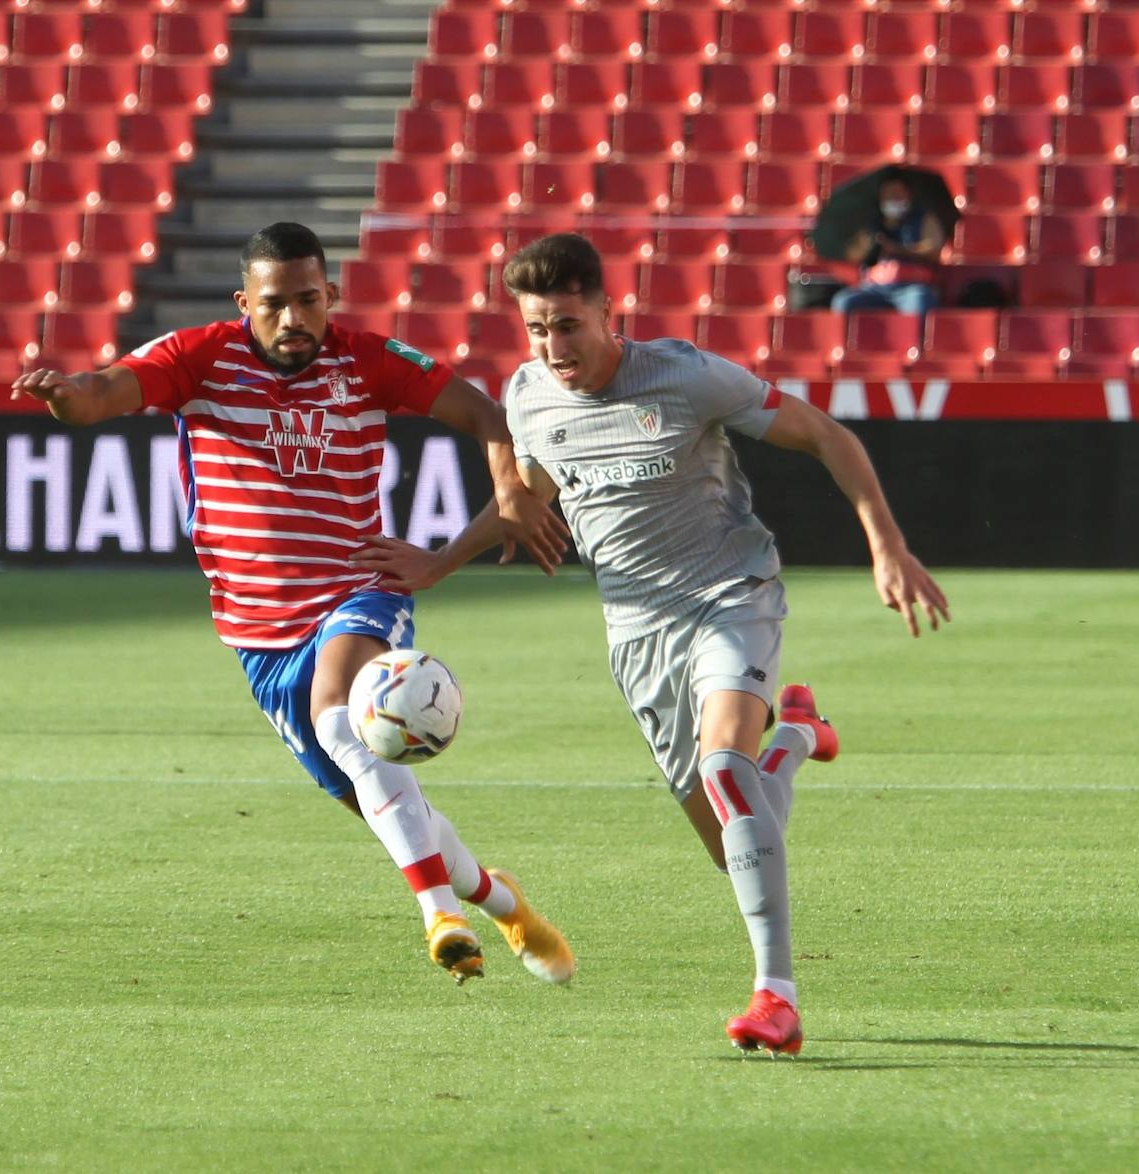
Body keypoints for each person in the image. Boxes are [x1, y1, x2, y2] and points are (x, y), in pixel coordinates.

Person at [356, 233, 949, 1056]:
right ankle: (795, 740)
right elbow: (527, 497)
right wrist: (441, 562)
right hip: (637, 635)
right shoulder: (528, 397)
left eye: (568, 325)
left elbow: (824, 434)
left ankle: (776, 996)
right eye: (537, 329)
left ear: (608, 311)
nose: (554, 347)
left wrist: (886, 546)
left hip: (730, 593)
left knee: (725, 769)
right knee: (734, 841)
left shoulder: (684, 376)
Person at [9, 222, 576, 987]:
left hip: (358, 587)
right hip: (259, 634)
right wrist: (67, 397)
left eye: (308, 300)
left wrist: (508, 490)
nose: (293, 318)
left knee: (343, 719)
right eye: (274, 303)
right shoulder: (200, 357)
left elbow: (482, 411)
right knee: (386, 805)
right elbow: (101, 394)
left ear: (330, 295)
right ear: (244, 302)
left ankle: (439, 915)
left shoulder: (367, 360)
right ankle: (504, 904)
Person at [830, 171, 946, 316]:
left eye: (898, 193)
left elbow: (934, 250)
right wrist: (867, 247)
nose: (893, 198)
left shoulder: (925, 219)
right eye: (889, 194)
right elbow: (852, 255)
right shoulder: (871, 225)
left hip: (911, 287)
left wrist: (898, 249)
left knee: (919, 299)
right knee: (843, 301)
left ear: (908, 195)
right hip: (875, 288)